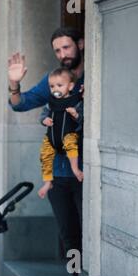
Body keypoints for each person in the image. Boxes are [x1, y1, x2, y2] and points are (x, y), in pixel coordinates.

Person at [7, 27, 84, 276]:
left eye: (67, 47)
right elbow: (20, 104)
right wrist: (15, 84)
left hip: (87, 171)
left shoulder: (93, 77)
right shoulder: (54, 80)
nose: (63, 54)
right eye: (58, 50)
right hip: (60, 172)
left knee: (89, 231)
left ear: (80, 44)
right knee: (69, 233)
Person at [38, 68, 84, 199]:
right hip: (51, 137)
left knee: (71, 146)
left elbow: (82, 119)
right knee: (45, 155)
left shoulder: (75, 101)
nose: (55, 89)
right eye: (52, 86)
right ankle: (48, 182)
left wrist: (75, 114)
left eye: (59, 85)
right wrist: (44, 120)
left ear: (70, 86)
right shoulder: (50, 102)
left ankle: (75, 169)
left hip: (68, 134)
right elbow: (42, 115)